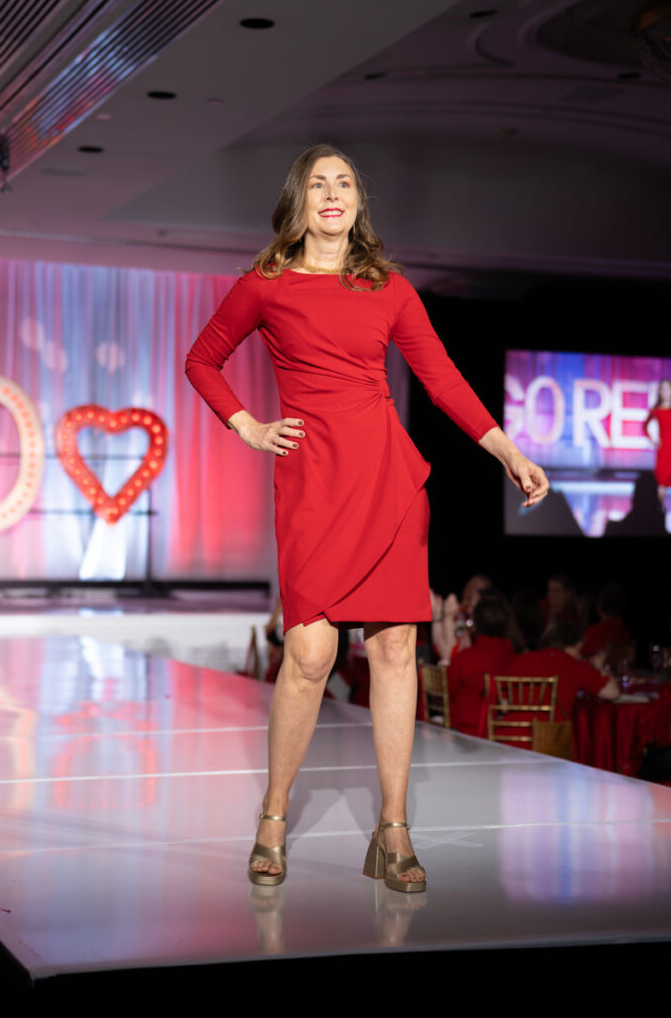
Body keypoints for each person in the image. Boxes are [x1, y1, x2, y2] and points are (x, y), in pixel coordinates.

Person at [185, 143, 549, 893]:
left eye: (343, 182)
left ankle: (393, 829)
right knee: (311, 655)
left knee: (393, 654)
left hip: (387, 481)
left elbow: (441, 376)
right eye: (317, 183)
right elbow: (202, 360)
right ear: (298, 202)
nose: (332, 193)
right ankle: (273, 815)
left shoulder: (388, 288)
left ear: (357, 202)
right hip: (314, 482)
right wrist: (248, 427)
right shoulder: (268, 284)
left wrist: (506, 450)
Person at [446, 593, 515, 736]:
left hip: (464, 733)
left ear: (476, 623)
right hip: (503, 732)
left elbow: (447, 690)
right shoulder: (512, 655)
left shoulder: (467, 657)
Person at [644, 378, 671, 503]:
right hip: (664, 450)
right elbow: (645, 426)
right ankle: (658, 514)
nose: (665, 392)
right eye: (663, 389)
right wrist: (652, 440)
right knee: (661, 484)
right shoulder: (657, 410)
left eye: (668, 388)